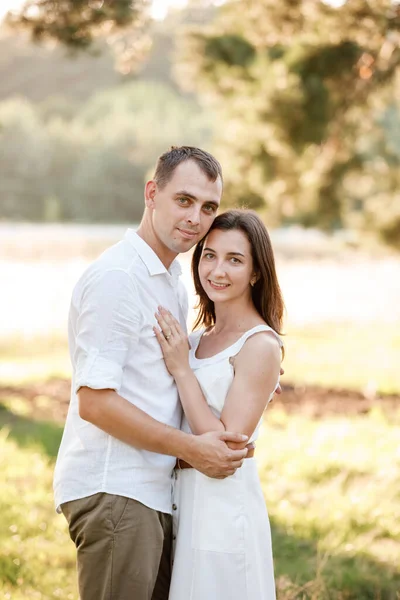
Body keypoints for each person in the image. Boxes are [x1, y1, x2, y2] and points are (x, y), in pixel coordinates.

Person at [53, 147, 253, 600]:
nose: (196, 218)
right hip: (117, 490)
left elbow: (164, 376)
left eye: (208, 207)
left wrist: (240, 370)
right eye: (184, 200)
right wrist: (193, 449)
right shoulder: (118, 278)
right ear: (152, 194)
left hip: (153, 493)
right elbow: (95, 402)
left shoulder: (171, 282)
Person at [153, 209, 285, 600]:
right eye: (209, 255)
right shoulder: (194, 340)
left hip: (223, 512)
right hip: (180, 504)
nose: (217, 270)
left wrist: (181, 370)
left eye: (235, 259)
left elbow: (222, 449)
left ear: (257, 272)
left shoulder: (260, 345)